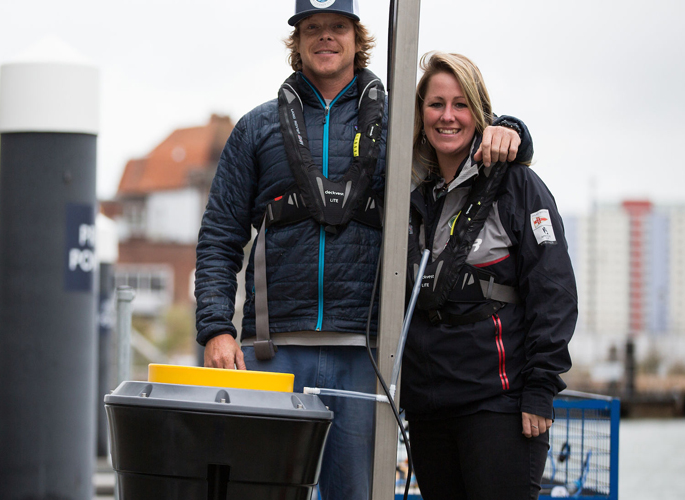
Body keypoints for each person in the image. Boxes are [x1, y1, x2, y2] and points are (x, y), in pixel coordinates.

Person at [195, 2, 530, 498]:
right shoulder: (256, 128)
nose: (324, 37)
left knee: (356, 494)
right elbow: (220, 235)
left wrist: (512, 128)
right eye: (312, 27)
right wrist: (216, 328)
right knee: (262, 491)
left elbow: (456, 126)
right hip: (271, 351)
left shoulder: (401, 123)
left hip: (365, 354)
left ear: (357, 36)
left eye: (337, 27)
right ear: (297, 40)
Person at [401, 51, 577, 500]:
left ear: (479, 113)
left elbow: (553, 292)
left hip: (499, 403)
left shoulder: (519, 186)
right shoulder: (416, 195)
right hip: (428, 406)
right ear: (420, 114)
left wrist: (540, 390)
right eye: (436, 104)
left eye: (460, 104)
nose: (447, 116)